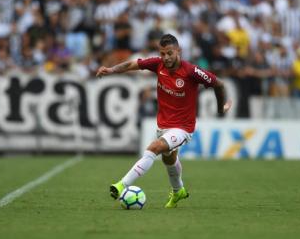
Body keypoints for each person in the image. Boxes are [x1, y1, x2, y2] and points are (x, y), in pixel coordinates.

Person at [96, 34, 232, 208]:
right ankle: (179, 191)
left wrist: (221, 108)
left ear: (178, 51)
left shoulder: (191, 71)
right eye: (162, 54)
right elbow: (132, 64)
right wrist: (111, 70)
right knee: (169, 160)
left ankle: (122, 184)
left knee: (154, 148)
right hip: (163, 125)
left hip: (183, 128)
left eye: (169, 53)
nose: (166, 58)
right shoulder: (157, 64)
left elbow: (218, 84)